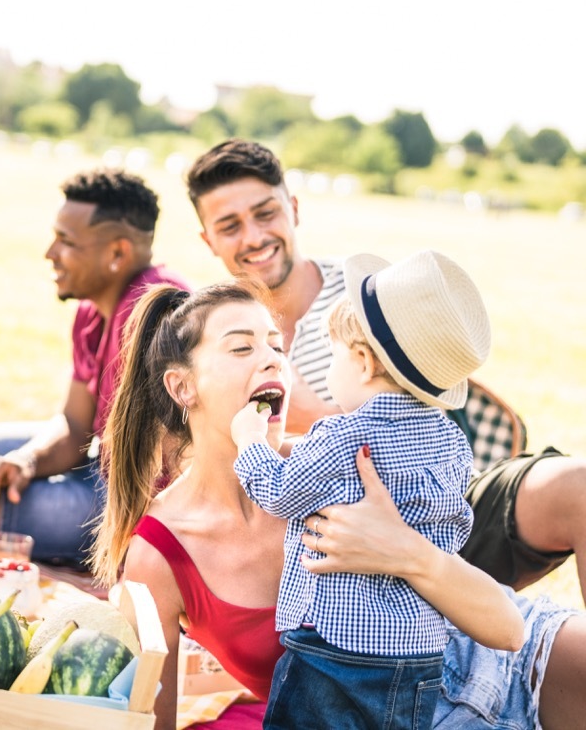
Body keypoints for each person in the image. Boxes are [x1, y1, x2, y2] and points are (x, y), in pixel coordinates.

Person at [91, 280, 581, 730]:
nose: (272, 361)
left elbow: (507, 629)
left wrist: (406, 552)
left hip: (513, 664)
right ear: (182, 387)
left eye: (276, 346)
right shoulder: (159, 555)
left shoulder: (339, 463)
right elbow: (147, 722)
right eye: (242, 347)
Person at [185, 138, 586, 598]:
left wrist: (315, 418)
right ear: (208, 239)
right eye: (230, 226)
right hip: (305, 541)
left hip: (431, 517)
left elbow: (429, 433)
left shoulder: (368, 299)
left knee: (577, 485)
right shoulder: (209, 331)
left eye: (265, 213)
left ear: (293, 208)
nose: (254, 237)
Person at [229, 250, 498, 728]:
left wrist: (250, 443)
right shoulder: (452, 442)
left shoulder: (343, 435)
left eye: (332, 357)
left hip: (334, 651)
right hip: (419, 655)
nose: (326, 372)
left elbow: (279, 492)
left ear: (363, 362)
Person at [0, 167, 191, 564]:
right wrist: (25, 461)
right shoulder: (91, 311)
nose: (50, 253)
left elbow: (171, 469)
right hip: (101, 463)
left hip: (135, 498)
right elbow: (75, 423)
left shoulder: (157, 311)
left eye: (66, 241)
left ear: (118, 253)